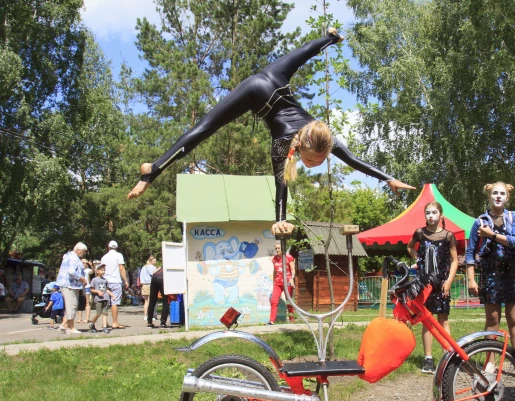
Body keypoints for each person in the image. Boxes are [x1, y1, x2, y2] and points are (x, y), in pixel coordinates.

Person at [127, 28, 415, 235]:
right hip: (255, 92)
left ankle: (331, 36)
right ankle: (151, 171)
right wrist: (278, 219)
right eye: (313, 161)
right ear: (302, 146)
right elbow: (281, 187)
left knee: (301, 54)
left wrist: (388, 178)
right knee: (206, 128)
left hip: (274, 76)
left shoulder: (322, 136)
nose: (315, 164)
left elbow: (352, 160)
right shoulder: (283, 144)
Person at [466, 182, 515, 356]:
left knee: (514, 319)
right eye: (494, 193)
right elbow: (470, 252)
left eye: (502, 193)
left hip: (512, 275)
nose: (498, 196)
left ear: (507, 197)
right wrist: (471, 278)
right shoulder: (480, 222)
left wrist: (491, 235)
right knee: (492, 320)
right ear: (489, 196)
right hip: (491, 275)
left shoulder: (514, 217)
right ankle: (489, 364)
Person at [407, 202, 458, 374]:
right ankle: (428, 358)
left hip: (442, 284)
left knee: (443, 320)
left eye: (434, 212)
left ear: (441, 215)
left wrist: (449, 280)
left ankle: (447, 356)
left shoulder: (448, 236)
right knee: (427, 320)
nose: (431, 216)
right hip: (424, 283)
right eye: (427, 212)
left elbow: (455, 260)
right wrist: (418, 258)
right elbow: (409, 247)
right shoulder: (420, 233)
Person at [56, 242, 88, 334]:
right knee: (72, 306)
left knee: (71, 306)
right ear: (78, 250)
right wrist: (83, 279)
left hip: (69, 285)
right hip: (69, 285)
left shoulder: (69, 256)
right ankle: (70, 327)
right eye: (83, 251)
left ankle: (65, 325)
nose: (84, 253)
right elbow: (72, 272)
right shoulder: (73, 258)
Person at [100, 240, 129, 329]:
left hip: (105, 281)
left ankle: (104, 323)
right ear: (116, 247)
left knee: (104, 302)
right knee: (114, 302)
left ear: (108, 247)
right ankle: (115, 322)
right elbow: (121, 268)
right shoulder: (118, 255)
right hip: (115, 281)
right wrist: (126, 280)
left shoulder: (104, 257)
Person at [268, 241, 295, 325]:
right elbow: (274, 271)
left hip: (287, 282)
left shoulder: (288, 257)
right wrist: (273, 283)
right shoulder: (274, 259)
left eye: (278, 248)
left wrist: (292, 279)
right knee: (274, 301)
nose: (277, 250)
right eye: (276, 248)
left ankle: (292, 320)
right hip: (277, 283)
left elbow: (293, 269)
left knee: (289, 301)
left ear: (282, 248)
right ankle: (272, 321)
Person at [89, 263, 115, 333]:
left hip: (105, 298)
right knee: (98, 313)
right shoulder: (94, 280)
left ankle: (104, 327)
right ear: (97, 271)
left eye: (104, 270)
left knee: (105, 313)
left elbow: (106, 289)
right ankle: (92, 324)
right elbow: (91, 289)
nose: (103, 271)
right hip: (98, 299)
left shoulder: (105, 280)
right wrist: (97, 292)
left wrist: (112, 295)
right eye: (101, 270)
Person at [140, 255, 158, 321]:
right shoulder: (151, 267)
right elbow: (153, 273)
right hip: (150, 285)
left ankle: (145, 316)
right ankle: (152, 316)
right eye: (154, 261)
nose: (155, 262)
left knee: (146, 301)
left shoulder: (143, 267)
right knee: (152, 301)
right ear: (151, 261)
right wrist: (158, 269)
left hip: (144, 285)